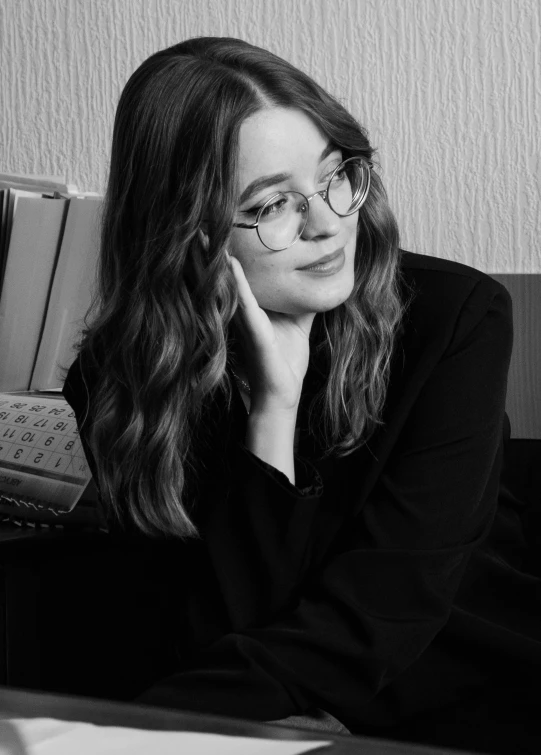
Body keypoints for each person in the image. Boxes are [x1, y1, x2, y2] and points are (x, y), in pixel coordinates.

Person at [62, 37, 541, 752]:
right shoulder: (117, 379)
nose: (327, 223)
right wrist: (272, 413)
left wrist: (118, 735)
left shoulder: (453, 318)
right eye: (273, 203)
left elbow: (380, 616)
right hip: (269, 706)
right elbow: (210, 629)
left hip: (469, 686)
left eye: (334, 176)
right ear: (189, 236)